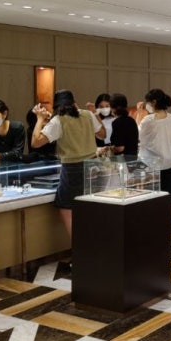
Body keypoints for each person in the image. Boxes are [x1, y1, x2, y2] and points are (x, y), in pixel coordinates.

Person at [31, 89, 105, 237]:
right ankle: (94, 246)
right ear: (74, 103)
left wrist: (39, 119)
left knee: (67, 209)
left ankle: (79, 247)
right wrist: (94, 114)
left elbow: (36, 142)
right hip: (94, 166)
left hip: (73, 169)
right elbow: (102, 134)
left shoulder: (59, 120)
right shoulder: (87, 114)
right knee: (90, 208)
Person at [138, 89, 171, 232]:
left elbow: (141, 138)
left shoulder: (149, 120)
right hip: (170, 161)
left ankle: (159, 226)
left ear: (153, 102)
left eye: (148, 102)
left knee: (156, 196)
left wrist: (140, 114)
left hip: (152, 163)